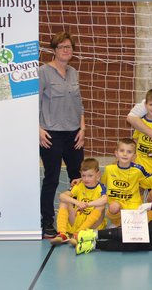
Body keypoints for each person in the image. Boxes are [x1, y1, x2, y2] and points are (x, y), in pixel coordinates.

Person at [39, 31, 87, 237]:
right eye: (61, 47)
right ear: (54, 50)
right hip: (51, 134)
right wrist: (38, 129)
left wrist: (82, 128)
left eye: (69, 47)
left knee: (78, 178)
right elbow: (34, 103)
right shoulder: (43, 72)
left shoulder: (73, 72)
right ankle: (47, 221)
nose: (66, 50)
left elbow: (79, 103)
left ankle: (78, 221)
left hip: (74, 134)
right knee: (52, 178)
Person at [50, 158, 107, 246]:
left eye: (90, 176)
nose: (86, 179)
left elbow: (105, 199)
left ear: (98, 174)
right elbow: (62, 196)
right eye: (83, 175)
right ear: (80, 174)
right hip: (78, 219)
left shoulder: (101, 187)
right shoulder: (79, 185)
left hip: (93, 223)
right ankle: (62, 234)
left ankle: (79, 234)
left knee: (101, 205)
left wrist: (87, 204)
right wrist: (78, 203)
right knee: (64, 202)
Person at [100, 138, 149, 227]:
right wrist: (81, 179)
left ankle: (124, 225)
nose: (125, 154)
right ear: (116, 153)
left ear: (134, 156)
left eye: (129, 152)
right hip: (116, 203)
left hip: (133, 203)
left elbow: (150, 180)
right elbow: (100, 184)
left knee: (136, 227)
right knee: (113, 207)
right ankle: (117, 223)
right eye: (122, 151)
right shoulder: (109, 169)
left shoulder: (138, 170)